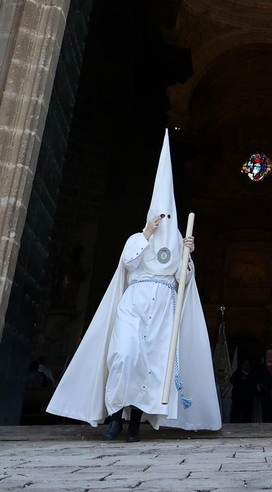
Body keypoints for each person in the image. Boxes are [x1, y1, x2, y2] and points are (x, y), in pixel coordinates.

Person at [47, 131, 221, 440]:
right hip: (135, 305)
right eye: (159, 216)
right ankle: (114, 416)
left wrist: (188, 255)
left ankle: (133, 423)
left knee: (149, 366)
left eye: (167, 217)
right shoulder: (136, 239)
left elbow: (184, 282)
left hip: (162, 311)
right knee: (124, 356)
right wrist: (145, 234)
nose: (162, 221)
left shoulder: (180, 245)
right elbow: (128, 263)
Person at [229, 358, 258, 423]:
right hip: (237, 400)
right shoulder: (237, 373)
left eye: (247, 364)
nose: (246, 365)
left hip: (248, 401)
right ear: (242, 365)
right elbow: (231, 380)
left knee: (247, 418)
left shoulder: (252, 374)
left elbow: (254, 385)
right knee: (235, 417)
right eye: (244, 364)